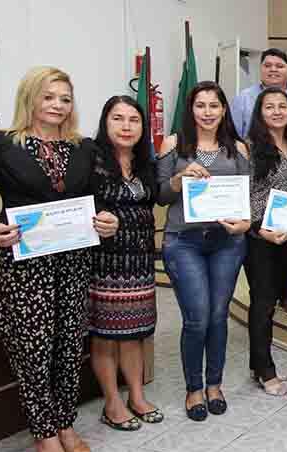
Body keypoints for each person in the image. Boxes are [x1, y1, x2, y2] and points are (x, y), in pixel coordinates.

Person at [0, 66, 119, 452]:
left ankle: (65, 424)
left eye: (65, 99)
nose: (58, 106)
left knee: (67, 348)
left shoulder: (83, 147)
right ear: (31, 97)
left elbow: (97, 200)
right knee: (33, 351)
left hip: (74, 261)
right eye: (49, 97)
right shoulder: (0, 144)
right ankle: (44, 433)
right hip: (25, 267)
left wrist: (108, 219)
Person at [157, 81, 251, 421]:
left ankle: (214, 384)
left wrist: (246, 223)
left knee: (217, 315)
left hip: (227, 243)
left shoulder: (238, 148)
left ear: (224, 109)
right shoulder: (173, 144)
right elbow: (160, 194)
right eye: (201, 105)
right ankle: (193, 388)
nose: (208, 112)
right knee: (197, 318)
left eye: (214, 105)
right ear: (191, 110)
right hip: (184, 241)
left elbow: (248, 196)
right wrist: (181, 177)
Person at [84, 96, 162, 432]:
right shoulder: (91, 158)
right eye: (118, 118)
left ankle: (137, 396)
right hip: (106, 263)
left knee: (135, 334)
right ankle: (112, 403)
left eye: (134, 120)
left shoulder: (146, 162)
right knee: (106, 335)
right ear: (105, 122)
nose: (126, 126)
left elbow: (158, 196)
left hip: (140, 261)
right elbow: (80, 203)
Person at [243, 87, 287, 396]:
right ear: (260, 112)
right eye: (270, 106)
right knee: (263, 304)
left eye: (283, 106)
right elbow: (248, 193)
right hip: (260, 237)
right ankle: (265, 370)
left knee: (276, 299)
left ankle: (260, 365)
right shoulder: (250, 147)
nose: (277, 111)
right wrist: (259, 227)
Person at [232, 48, 287, 141]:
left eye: (279, 66)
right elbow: (234, 137)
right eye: (267, 66)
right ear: (260, 69)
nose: (273, 69)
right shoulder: (243, 98)